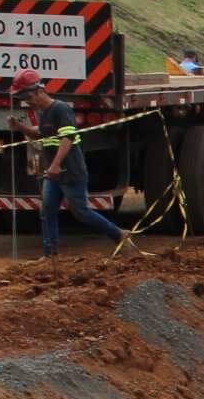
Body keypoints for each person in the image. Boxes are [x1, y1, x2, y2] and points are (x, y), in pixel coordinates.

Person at [12, 69, 128, 259]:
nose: (28, 101)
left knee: (81, 212)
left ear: (40, 91)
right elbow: (41, 134)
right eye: (24, 98)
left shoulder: (60, 109)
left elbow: (68, 137)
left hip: (71, 171)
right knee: (47, 211)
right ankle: (51, 254)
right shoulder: (42, 113)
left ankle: (118, 234)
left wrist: (56, 164)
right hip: (54, 174)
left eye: (29, 96)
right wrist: (20, 127)